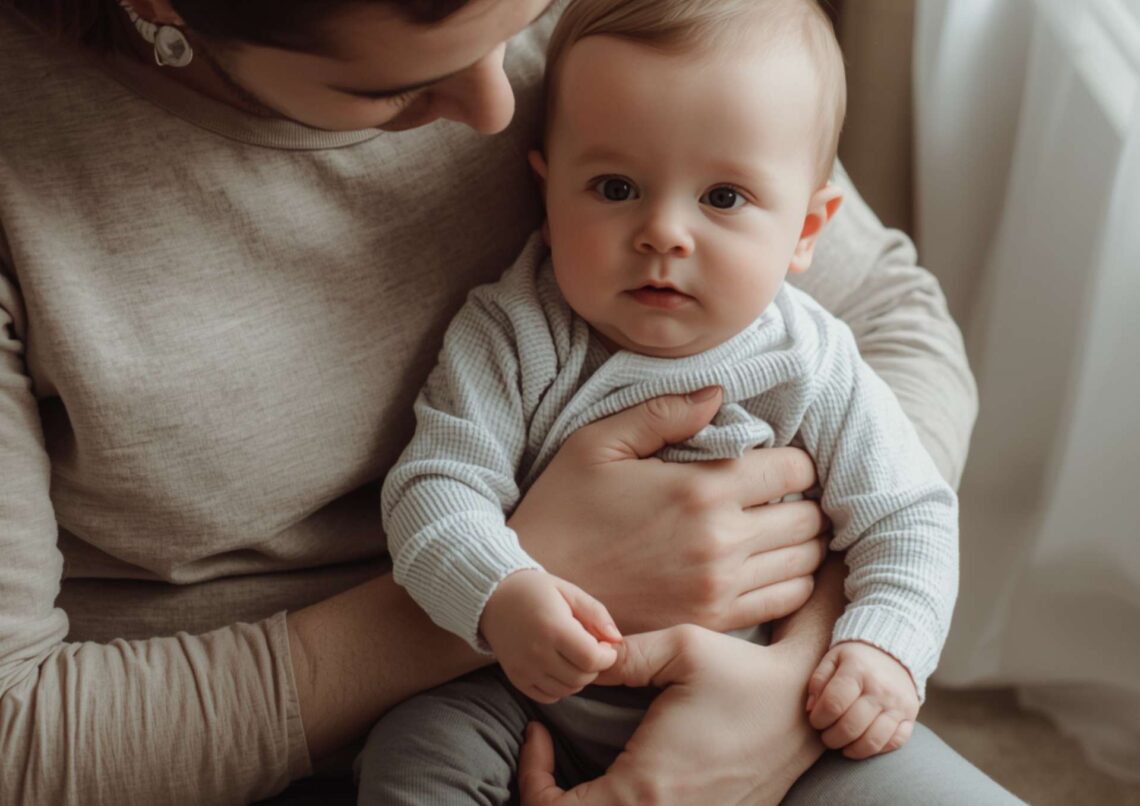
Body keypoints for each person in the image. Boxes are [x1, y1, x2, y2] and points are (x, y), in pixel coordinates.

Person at [0, 0, 1009, 804]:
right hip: (407, 713)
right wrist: (527, 580)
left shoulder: (799, 335)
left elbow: (895, 342)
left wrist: (822, 664)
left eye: (523, 19)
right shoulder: (518, 326)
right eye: (395, 85)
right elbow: (19, 741)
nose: (498, 107)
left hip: (755, 676)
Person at [357, 0, 959, 801]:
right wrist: (501, 591)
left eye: (723, 198)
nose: (664, 232)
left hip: (763, 696)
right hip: (523, 693)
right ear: (547, 193)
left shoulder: (812, 361)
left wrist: (883, 648)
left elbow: (909, 514)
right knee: (412, 754)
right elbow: (436, 488)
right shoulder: (514, 331)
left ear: (808, 228)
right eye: (615, 187)